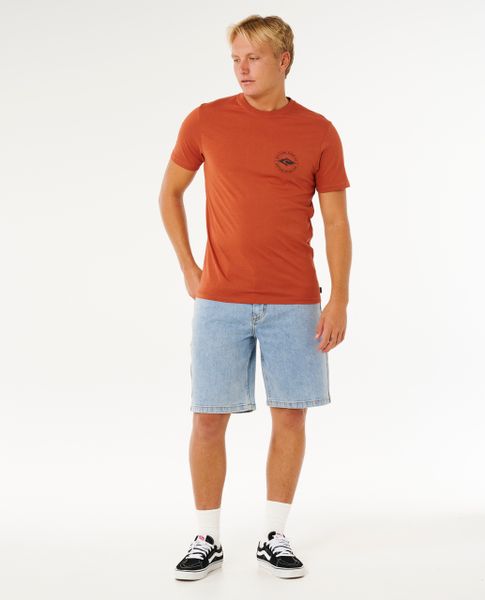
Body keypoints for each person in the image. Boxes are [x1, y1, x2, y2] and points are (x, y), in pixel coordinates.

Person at [159, 14, 352, 580]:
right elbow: (169, 193)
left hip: (295, 302)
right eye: (236, 59)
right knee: (207, 420)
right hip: (220, 303)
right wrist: (189, 267)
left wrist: (339, 299)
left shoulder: (318, 131)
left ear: (283, 61)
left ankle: (274, 535)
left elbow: (337, 223)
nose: (242, 69)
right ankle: (207, 538)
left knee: (290, 417)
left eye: (254, 58)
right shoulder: (206, 120)